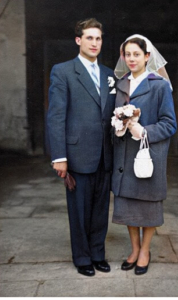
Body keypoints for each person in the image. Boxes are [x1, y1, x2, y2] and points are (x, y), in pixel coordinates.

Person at [47, 18, 116, 277]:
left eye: (98, 38)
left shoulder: (110, 74)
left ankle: (98, 254)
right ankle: (82, 257)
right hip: (77, 154)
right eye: (89, 38)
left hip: (104, 154)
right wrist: (59, 157)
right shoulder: (63, 71)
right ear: (79, 40)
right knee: (79, 210)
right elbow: (56, 116)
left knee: (100, 209)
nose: (94, 43)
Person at [111, 34, 177, 275]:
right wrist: (118, 126)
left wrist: (143, 130)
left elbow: (170, 124)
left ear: (147, 56)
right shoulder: (120, 85)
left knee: (147, 206)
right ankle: (134, 248)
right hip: (124, 156)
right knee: (128, 204)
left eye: (136, 54)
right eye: (127, 54)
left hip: (147, 154)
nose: (131, 58)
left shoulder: (159, 85)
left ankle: (145, 250)